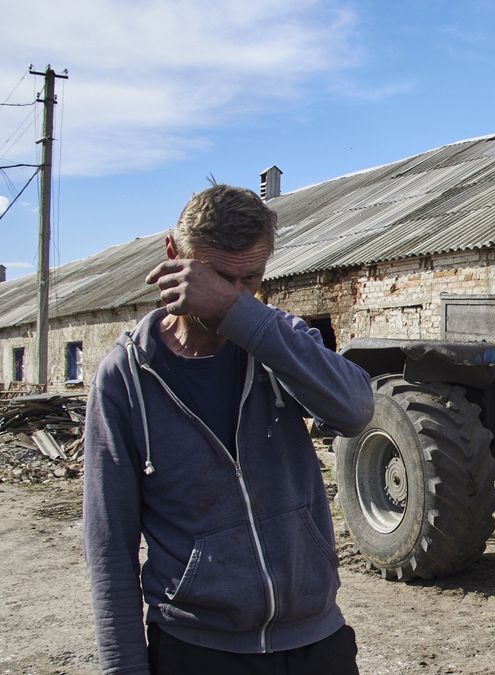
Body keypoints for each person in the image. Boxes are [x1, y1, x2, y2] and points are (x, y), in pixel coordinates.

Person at [83, 184, 374, 675]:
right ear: (173, 254)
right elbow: (109, 544)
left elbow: (355, 410)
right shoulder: (127, 378)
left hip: (315, 642)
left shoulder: (278, 342)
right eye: (218, 276)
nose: (236, 293)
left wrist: (240, 315)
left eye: (251, 278)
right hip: (197, 649)